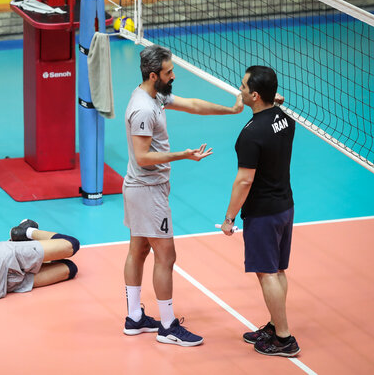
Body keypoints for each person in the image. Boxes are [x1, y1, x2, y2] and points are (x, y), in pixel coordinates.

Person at [123, 45, 244, 346]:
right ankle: (167, 327)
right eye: (168, 72)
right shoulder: (143, 108)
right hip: (147, 190)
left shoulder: (155, 94)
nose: (173, 76)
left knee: (138, 251)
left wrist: (231, 110)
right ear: (154, 75)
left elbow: (192, 104)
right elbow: (142, 156)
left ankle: (134, 318)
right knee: (167, 256)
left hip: (144, 189)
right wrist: (183, 155)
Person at [220, 66, 299, 357]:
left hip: (263, 213)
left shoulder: (250, 134)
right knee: (277, 271)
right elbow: (275, 109)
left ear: (254, 95)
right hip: (285, 206)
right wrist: (271, 102)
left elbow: (244, 180)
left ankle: (284, 338)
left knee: (267, 274)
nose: (238, 90)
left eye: (242, 87)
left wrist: (229, 219)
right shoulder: (286, 121)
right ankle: (274, 323)